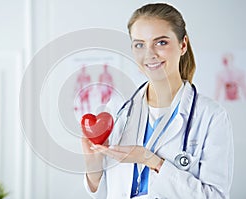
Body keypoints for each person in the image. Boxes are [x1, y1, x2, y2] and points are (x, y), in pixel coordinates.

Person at [82, 3, 234, 199]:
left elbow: (216, 196)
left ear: (183, 44)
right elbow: (107, 193)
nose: (149, 54)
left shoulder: (212, 116)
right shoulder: (118, 109)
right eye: (139, 44)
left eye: (161, 42)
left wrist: (152, 161)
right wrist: (93, 168)